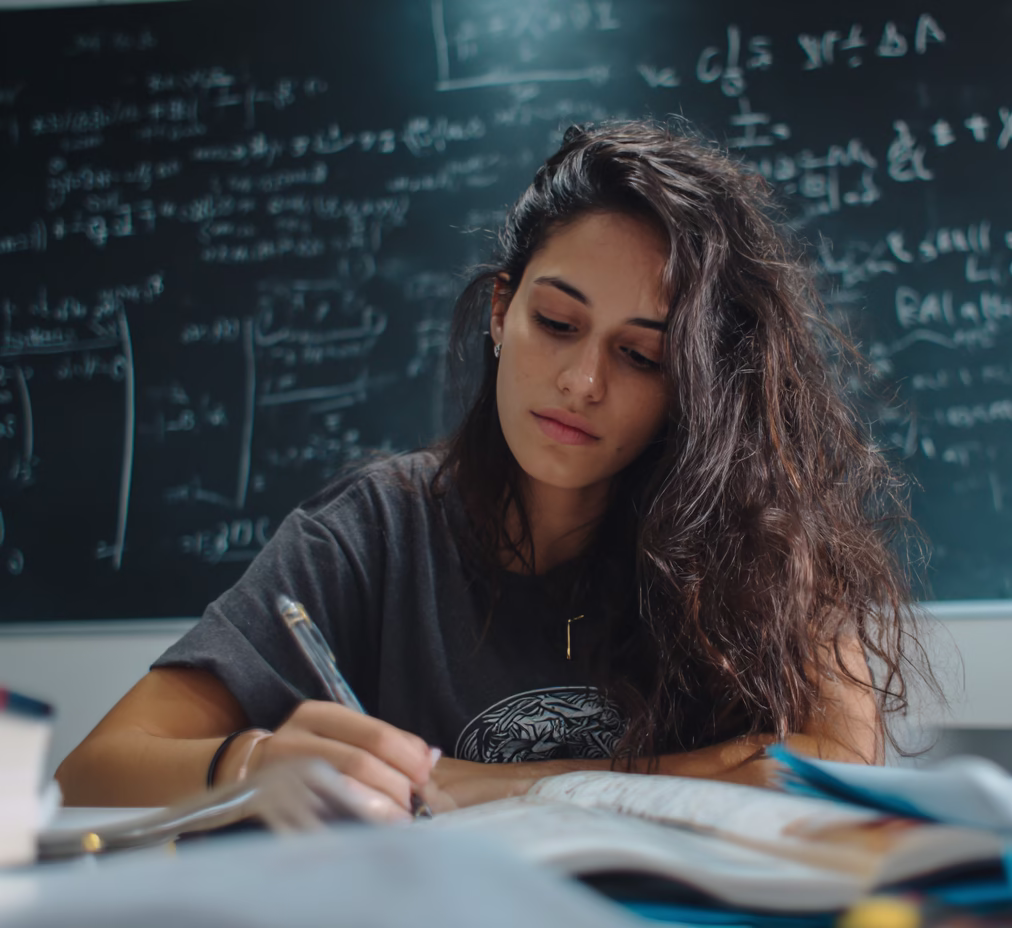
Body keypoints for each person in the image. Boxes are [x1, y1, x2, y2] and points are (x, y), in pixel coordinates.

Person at [56, 120, 931, 814]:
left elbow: (834, 768)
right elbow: (95, 771)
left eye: (642, 358)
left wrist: (491, 786)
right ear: (502, 311)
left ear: (694, 386)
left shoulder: (758, 536)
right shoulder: (373, 531)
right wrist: (252, 761)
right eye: (556, 323)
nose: (582, 383)